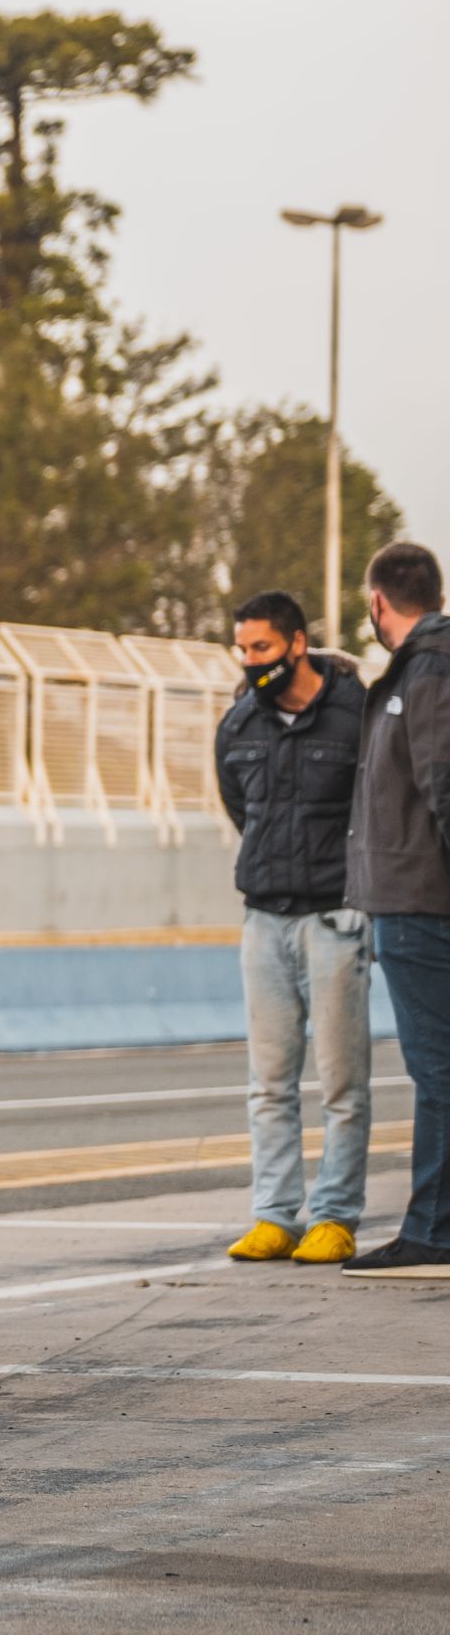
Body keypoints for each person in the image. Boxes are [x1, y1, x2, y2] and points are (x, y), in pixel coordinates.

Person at [216, 591, 371, 1264]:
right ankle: (274, 1215)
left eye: (263, 649)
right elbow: (237, 805)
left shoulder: (354, 715)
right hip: (263, 920)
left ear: (297, 644)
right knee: (269, 1083)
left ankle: (334, 1216)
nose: (251, 662)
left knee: (342, 1083)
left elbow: (379, 807)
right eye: (244, 650)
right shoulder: (239, 723)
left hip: (334, 918)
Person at [344, 540, 450, 1278]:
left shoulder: (429, 672)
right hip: (416, 899)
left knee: (438, 1068)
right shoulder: (420, 668)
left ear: (379, 602)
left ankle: (435, 1230)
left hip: (422, 904)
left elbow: (444, 782)